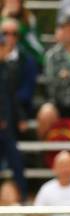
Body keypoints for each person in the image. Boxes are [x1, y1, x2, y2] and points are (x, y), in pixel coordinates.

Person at [0, 30, 27, 198]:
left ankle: (23, 197)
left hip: (7, 127)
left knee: (16, 162)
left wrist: (21, 118)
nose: (5, 49)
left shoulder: (8, 68)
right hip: (4, 123)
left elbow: (12, 96)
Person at [0, 0, 44, 65]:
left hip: (24, 59)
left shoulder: (28, 18)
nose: (13, 3)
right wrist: (4, 18)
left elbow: (36, 47)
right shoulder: (2, 17)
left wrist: (20, 28)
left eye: (16, 1)